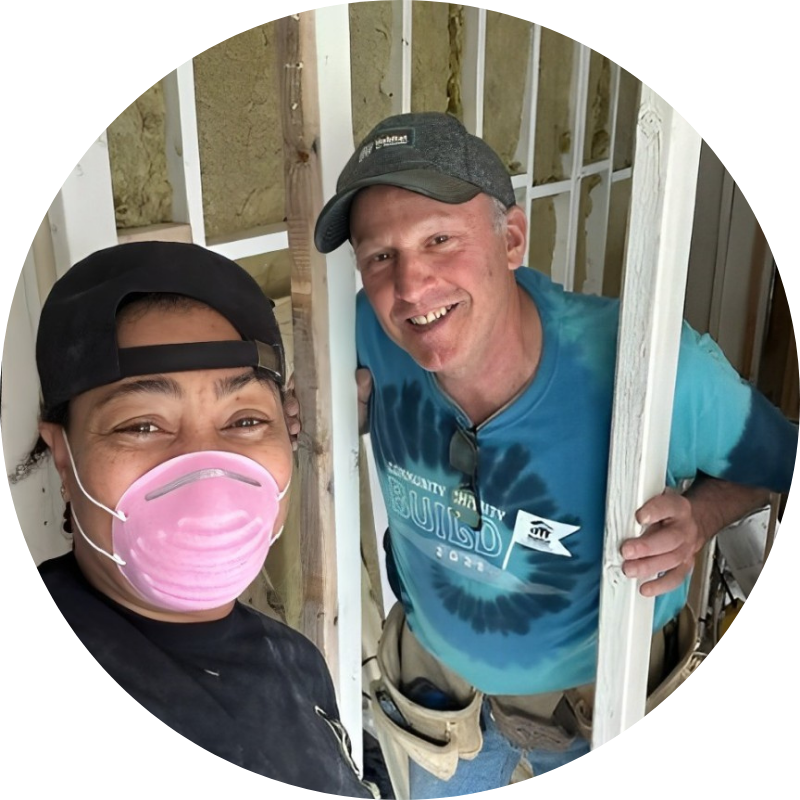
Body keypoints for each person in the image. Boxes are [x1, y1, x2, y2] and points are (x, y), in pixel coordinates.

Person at [312, 112, 797, 795]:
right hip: (440, 705)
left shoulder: (648, 367)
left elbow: (773, 462)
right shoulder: (369, 330)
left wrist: (700, 517)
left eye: (440, 239)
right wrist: (331, 416)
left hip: (606, 702)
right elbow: (311, 411)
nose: (411, 286)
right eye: (380, 256)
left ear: (511, 239)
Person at [20, 241, 379, 796]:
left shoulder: (298, 662)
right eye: (142, 425)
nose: (206, 467)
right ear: (63, 456)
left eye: (244, 419)